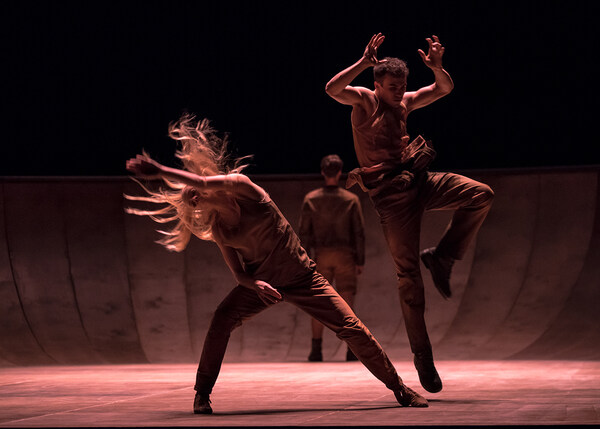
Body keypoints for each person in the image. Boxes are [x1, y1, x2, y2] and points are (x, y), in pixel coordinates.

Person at [125, 114, 429, 414]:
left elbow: (203, 180)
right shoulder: (220, 229)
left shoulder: (244, 188)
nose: (197, 198)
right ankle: (201, 394)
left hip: (303, 277)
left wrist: (161, 171)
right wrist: (255, 283)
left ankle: (400, 388)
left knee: (351, 328)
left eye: (197, 191)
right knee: (222, 319)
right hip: (264, 283)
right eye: (193, 200)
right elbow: (239, 274)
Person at [324, 34, 494, 394]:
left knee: (480, 195)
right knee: (409, 277)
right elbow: (332, 89)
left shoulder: (405, 102)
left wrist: (437, 68)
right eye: (392, 87)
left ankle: (443, 255)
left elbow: (443, 89)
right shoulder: (365, 101)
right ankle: (422, 355)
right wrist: (362, 62)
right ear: (377, 85)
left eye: (402, 86)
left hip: (419, 181)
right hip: (391, 198)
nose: (399, 93)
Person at [298, 154, 365, 362]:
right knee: (347, 305)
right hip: (345, 256)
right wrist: (360, 260)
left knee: (319, 304)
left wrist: (304, 261)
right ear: (339, 172)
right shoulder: (350, 200)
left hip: (321, 256)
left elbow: (304, 234)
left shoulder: (311, 199)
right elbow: (358, 232)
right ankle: (351, 350)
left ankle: (316, 350)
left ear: (322, 172)